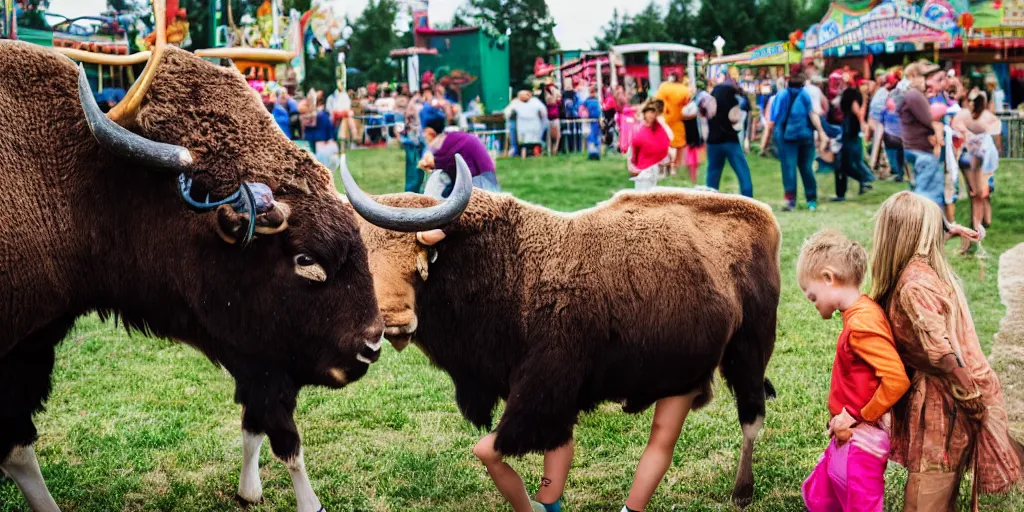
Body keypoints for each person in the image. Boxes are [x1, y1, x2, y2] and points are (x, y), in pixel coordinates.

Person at [869, 191, 1022, 511]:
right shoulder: (917, 279)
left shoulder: (913, 278)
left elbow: (942, 352)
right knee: (935, 491)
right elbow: (942, 353)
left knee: (932, 493)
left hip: (946, 402)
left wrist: (970, 398)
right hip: (947, 399)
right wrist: (973, 399)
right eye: (935, 228)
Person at [798, 230, 911, 512]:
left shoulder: (861, 324)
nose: (813, 304)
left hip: (862, 443)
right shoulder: (859, 312)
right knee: (820, 493)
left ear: (828, 278)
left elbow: (896, 380)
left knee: (860, 503)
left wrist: (859, 416)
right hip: (848, 436)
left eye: (812, 296)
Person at [771, 74, 829, 211]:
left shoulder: (782, 95)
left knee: (789, 168)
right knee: (807, 168)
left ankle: (790, 201)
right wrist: (821, 131)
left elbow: (775, 117)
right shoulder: (805, 94)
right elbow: (812, 114)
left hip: (788, 138)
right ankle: (811, 201)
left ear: (788, 82)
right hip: (806, 137)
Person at [951, 90, 1001, 241]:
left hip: (975, 157)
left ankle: (978, 225)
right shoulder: (982, 117)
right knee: (978, 194)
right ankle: (978, 225)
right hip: (975, 157)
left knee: (977, 194)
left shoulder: (967, 116)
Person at [899, 62, 946, 210]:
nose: (926, 81)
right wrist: (938, 128)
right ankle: (927, 228)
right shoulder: (914, 95)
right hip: (922, 149)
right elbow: (928, 119)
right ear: (913, 76)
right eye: (923, 77)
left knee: (919, 190)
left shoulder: (910, 95)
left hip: (913, 147)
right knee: (928, 195)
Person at [418, 115, 499, 198]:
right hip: (485, 180)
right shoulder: (452, 137)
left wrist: (431, 164)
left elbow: (438, 163)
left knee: (437, 181)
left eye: (424, 133)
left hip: (481, 185)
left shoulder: (444, 146)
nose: (423, 136)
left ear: (430, 133)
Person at [705, 75, 755, 198]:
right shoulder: (735, 102)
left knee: (713, 173)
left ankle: (709, 199)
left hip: (713, 142)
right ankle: (747, 197)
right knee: (742, 171)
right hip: (731, 141)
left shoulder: (711, 102)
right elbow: (744, 111)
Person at [833, 85, 875, 202]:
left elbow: (859, 113)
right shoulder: (854, 103)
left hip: (850, 138)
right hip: (852, 137)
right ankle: (864, 180)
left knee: (845, 165)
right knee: (854, 162)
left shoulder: (852, 102)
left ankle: (866, 178)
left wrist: (863, 124)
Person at [627, 99, 672, 191]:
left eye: (653, 113)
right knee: (641, 191)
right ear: (645, 113)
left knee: (650, 191)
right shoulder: (639, 128)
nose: (651, 115)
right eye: (649, 112)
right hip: (641, 164)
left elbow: (664, 143)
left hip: (654, 166)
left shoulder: (659, 128)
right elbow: (634, 146)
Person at [654, 73, 691, 176]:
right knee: (676, 145)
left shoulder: (663, 87)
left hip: (665, 119)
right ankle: (674, 166)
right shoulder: (684, 89)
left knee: (664, 145)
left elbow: (658, 102)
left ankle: (664, 166)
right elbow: (688, 102)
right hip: (678, 120)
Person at [505, 90, 548, 158]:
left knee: (535, 143)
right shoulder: (516, 102)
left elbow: (543, 111)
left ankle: (537, 156)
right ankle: (523, 157)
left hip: (534, 125)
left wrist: (543, 119)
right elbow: (507, 112)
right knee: (523, 144)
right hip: (522, 126)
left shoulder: (535, 101)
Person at [880, 73, 906, 183]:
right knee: (900, 155)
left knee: (893, 154)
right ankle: (899, 173)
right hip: (900, 134)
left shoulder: (889, 99)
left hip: (890, 134)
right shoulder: (901, 96)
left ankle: (897, 172)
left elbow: (881, 118)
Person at [544, 83, 562, 155]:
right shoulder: (549, 97)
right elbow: (553, 100)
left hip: (553, 118)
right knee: (553, 136)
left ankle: (553, 150)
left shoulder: (548, 96)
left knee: (555, 136)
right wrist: (555, 92)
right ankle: (552, 150)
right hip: (552, 118)